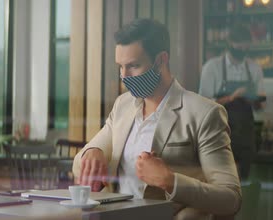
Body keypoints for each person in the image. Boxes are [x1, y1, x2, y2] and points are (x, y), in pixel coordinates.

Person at [72, 19, 241, 220]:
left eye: (134, 65)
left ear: (161, 60)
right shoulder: (123, 105)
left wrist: (169, 181)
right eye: (120, 67)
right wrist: (92, 152)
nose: (124, 76)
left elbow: (231, 198)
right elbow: (79, 164)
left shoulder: (205, 113)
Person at [199, 24, 266, 180]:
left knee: (243, 183)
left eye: (246, 46)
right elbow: (203, 105)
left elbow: (261, 106)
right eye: (239, 45)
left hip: (246, 138)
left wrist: (254, 99)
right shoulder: (212, 67)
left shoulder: (255, 69)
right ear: (230, 43)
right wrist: (231, 97)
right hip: (219, 136)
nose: (243, 49)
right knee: (222, 184)